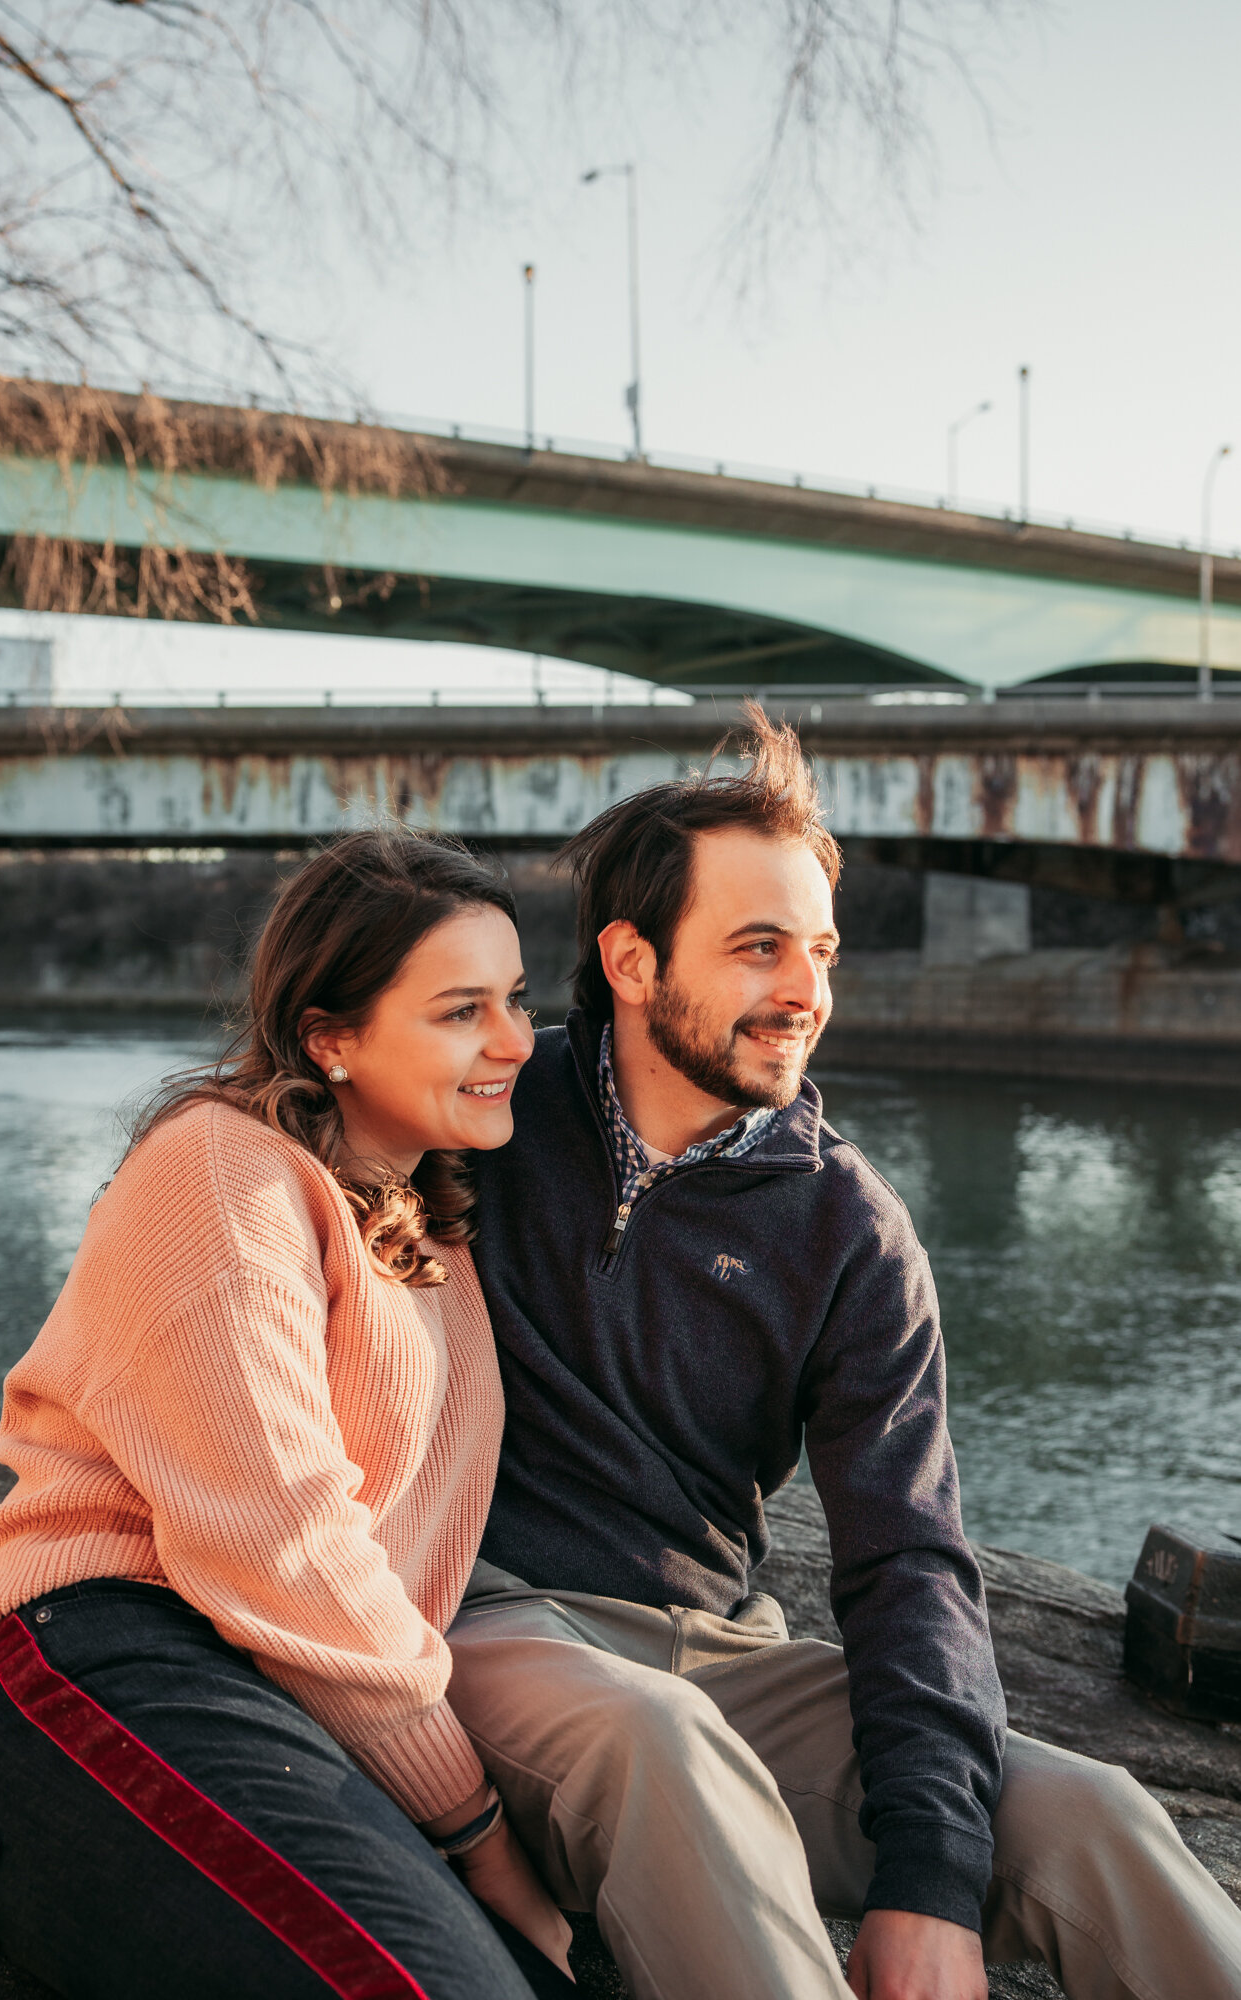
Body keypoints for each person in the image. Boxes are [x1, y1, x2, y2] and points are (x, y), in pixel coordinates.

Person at [448, 707, 1241, 2000]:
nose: (808, 993)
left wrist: (931, 1880)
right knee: (665, 1749)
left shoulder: (849, 1226)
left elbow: (908, 1562)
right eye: (759, 948)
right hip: (490, 1620)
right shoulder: (483, 1114)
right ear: (633, 961)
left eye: (820, 950)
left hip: (717, 1651)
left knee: (1088, 1816)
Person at [0, 829, 574, 2000]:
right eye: (462, 1009)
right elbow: (284, 1545)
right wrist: (479, 1831)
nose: (516, 1040)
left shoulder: (425, 1222)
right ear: (331, 1037)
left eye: (516, 998)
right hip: (84, 1665)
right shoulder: (227, 1167)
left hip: (272, 1705)